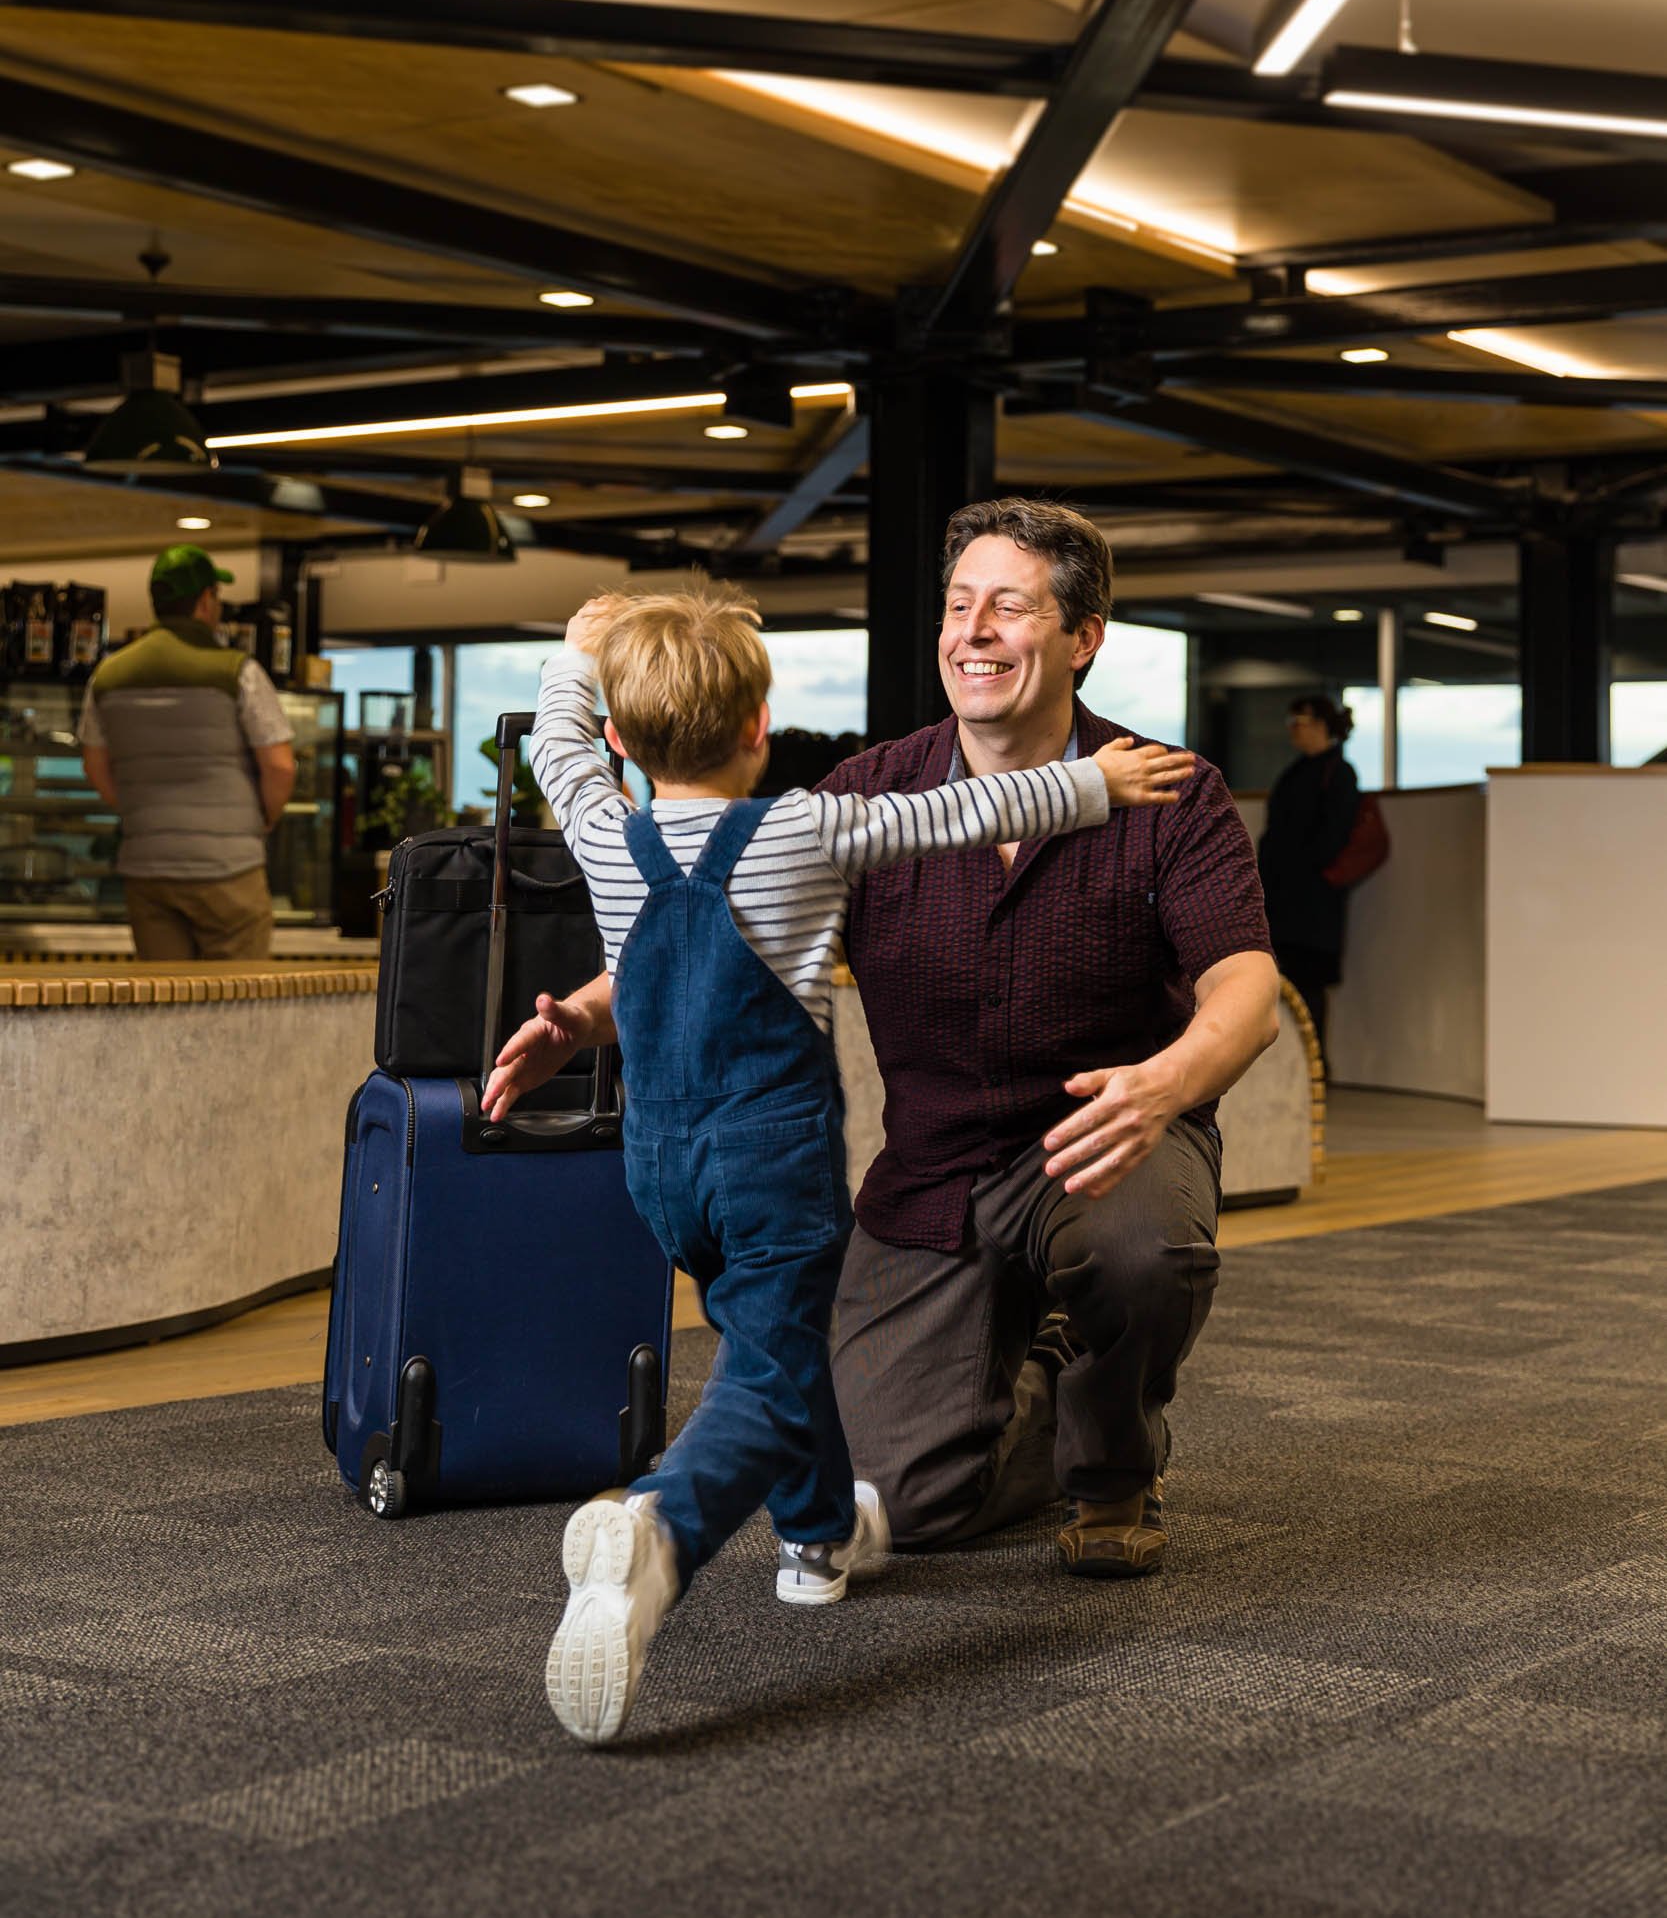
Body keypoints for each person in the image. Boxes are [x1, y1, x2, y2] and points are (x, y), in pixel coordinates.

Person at [492, 501, 1277, 1587]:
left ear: (1082, 637)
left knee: (1139, 1248)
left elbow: (1247, 988)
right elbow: (716, 927)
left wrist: (1165, 1084)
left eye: (1008, 606)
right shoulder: (863, 797)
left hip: (1103, 1142)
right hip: (933, 1175)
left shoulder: (1168, 793)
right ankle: (1046, 1382)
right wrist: (585, 1014)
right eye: (958, 606)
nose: (973, 631)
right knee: (887, 1502)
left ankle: (1110, 1462)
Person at [77, 544, 296, 960]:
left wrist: (140, 814)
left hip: (147, 869)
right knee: (238, 1004)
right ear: (205, 601)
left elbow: (94, 764)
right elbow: (280, 765)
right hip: (228, 868)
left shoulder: (107, 675)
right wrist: (261, 819)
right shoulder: (238, 671)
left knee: (167, 1007)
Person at [1256, 692, 1360, 1065]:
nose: (1293, 731)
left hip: (1313, 902)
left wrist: (1298, 868)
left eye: (1299, 722)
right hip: (1286, 897)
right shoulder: (1298, 771)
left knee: (1309, 983)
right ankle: (1296, 1064)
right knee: (1286, 980)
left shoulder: (1338, 773)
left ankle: (1314, 1067)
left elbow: (1332, 837)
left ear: (1319, 725)